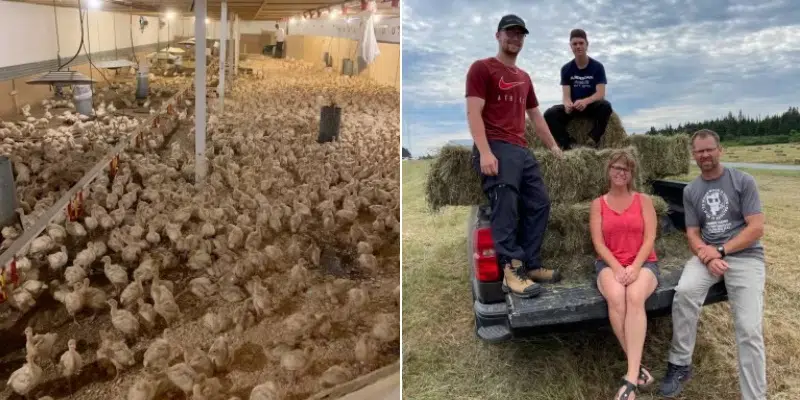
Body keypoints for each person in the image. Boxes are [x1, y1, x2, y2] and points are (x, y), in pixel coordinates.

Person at [659, 129, 767, 399]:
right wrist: (706, 254)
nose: (704, 155)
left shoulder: (743, 181)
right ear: (693, 155)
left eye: (709, 149)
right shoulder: (692, 190)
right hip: (708, 255)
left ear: (720, 150)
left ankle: (754, 396)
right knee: (684, 293)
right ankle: (680, 363)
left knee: (749, 329)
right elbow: (693, 232)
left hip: (744, 255)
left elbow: (756, 228)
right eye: (699, 151)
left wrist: (721, 251)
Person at [464, 14, 564, 298]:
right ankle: (511, 271)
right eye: (510, 33)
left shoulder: (524, 78)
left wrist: (553, 147)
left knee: (540, 204)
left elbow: (535, 116)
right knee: (505, 204)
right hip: (496, 145)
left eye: (520, 34)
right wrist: (484, 151)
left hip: (521, 149)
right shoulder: (482, 69)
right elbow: (473, 112)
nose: (515, 39)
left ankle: (531, 264)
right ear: (498, 36)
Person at [589, 150, 659, 400]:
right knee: (617, 296)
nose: (620, 172)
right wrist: (618, 268)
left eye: (626, 169)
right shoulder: (598, 204)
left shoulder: (644, 201)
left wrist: (636, 267)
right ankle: (637, 367)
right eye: (616, 168)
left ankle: (630, 377)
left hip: (643, 263)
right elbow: (598, 244)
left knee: (635, 296)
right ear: (608, 170)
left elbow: (650, 238)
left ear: (631, 174)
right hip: (609, 265)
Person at [543, 29, 613, 149]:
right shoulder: (566, 69)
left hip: (591, 106)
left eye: (581, 43)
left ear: (587, 45)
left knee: (606, 106)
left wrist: (585, 101)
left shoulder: (597, 67)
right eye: (574, 44)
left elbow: (601, 93)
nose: (578, 46)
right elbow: (566, 96)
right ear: (570, 46)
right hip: (575, 107)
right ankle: (568, 144)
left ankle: (592, 139)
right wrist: (567, 105)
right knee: (549, 114)